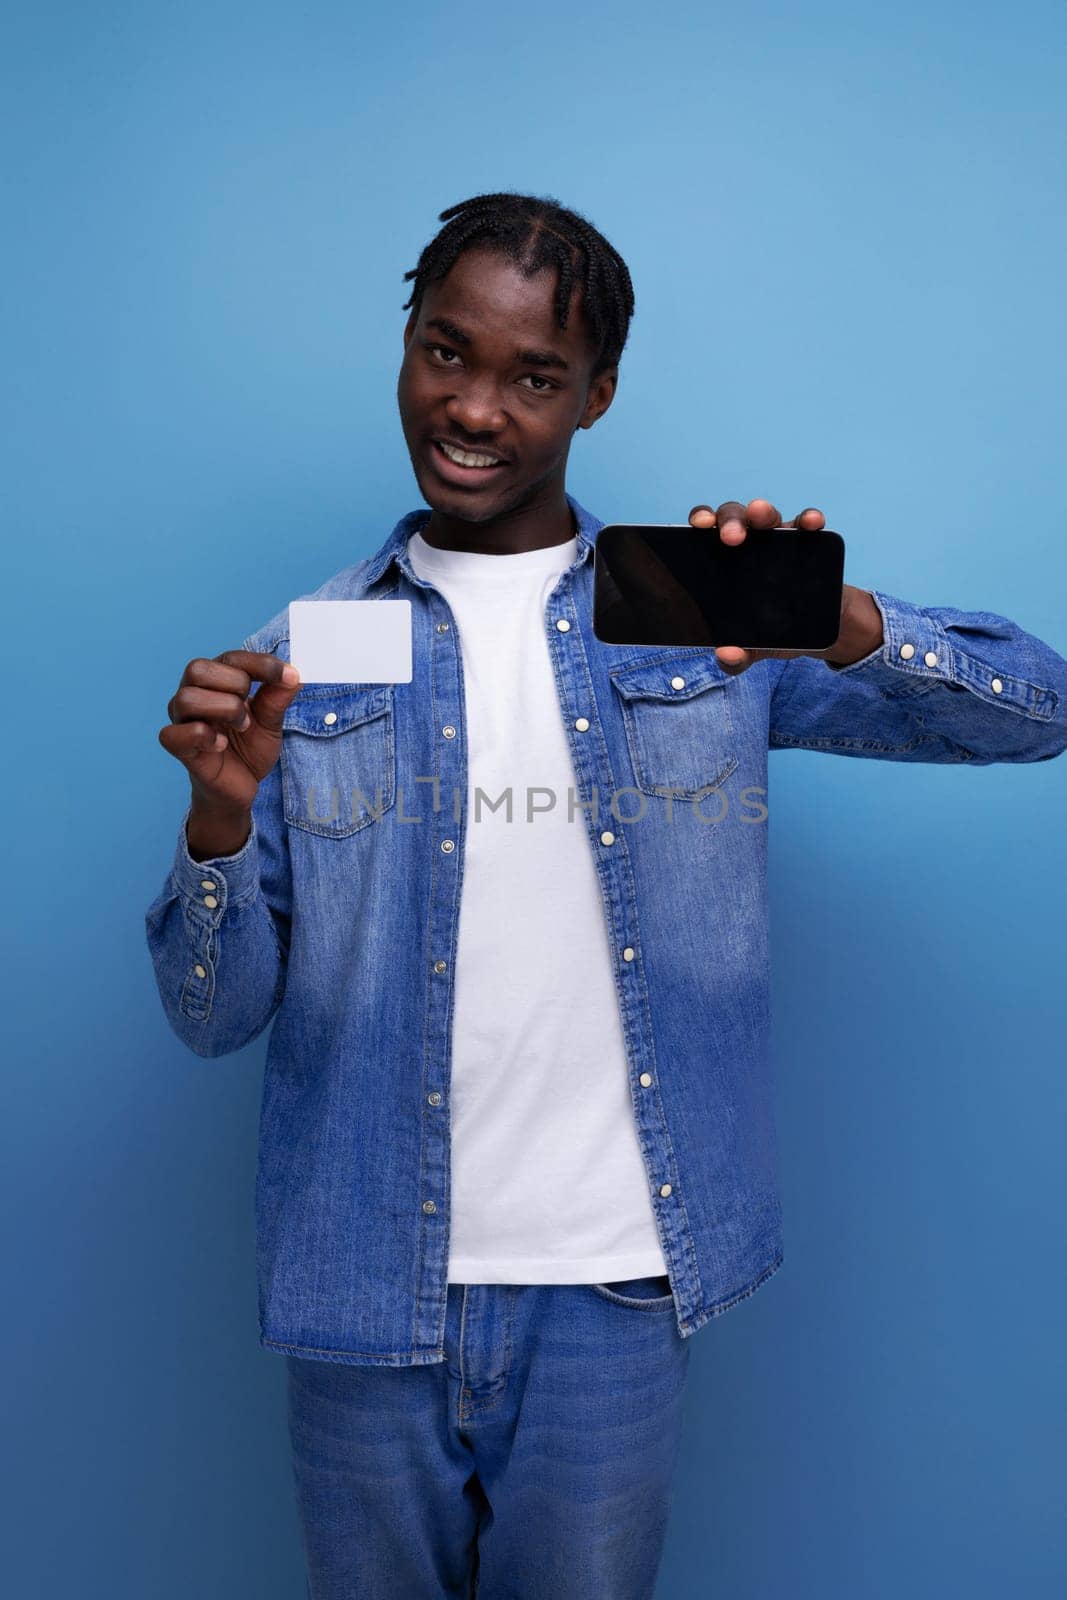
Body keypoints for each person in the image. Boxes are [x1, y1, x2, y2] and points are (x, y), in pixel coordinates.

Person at [144, 190, 1067, 1599]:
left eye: (533, 377)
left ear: (597, 394)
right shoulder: (314, 645)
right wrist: (218, 820)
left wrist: (838, 617)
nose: (474, 408)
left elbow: (1038, 709)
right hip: (362, 1283)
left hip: (613, 1288)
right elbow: (214, 1020)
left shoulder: (696, 613)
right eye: (447, 353)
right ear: (406, 345)